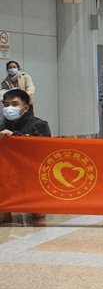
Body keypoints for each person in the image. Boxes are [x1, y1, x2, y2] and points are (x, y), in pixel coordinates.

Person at [0, 88, 50, 225]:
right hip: (7, 173)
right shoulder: (1, 126)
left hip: (31, 173)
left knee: (38, 213)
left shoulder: (39, 124)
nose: (9, 108)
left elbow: (43, 147)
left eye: (15, 104)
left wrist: (15, 136)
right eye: (6, 105)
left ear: (25, 107)